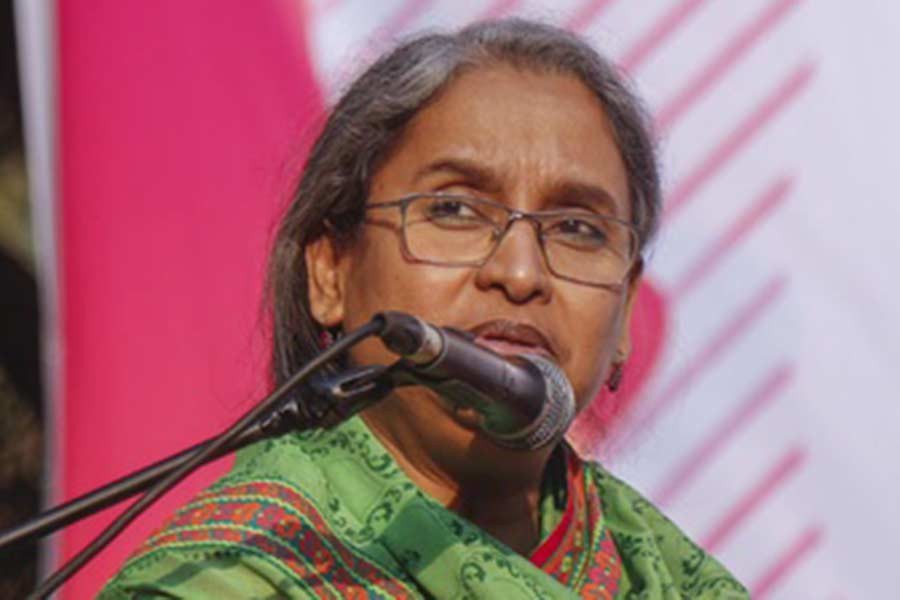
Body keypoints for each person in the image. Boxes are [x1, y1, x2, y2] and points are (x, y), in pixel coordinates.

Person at [100, 19, 748, 599]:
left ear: (626, 310)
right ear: (330, 271)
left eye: (577, 228)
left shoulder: (667, 579)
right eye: (454, 210)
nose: (520, 273)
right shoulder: (228, 581)